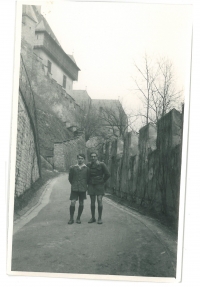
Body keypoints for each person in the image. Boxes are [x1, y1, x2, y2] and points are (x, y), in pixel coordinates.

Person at [87, 152, 110, 224]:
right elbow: (86, 174)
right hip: (91, 184)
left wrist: (103, 181)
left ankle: (99, 218)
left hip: (99, 184)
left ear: (97, 157)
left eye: (94, 156)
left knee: (99, 200)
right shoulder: (88, 165)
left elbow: (108, 174)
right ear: (90, 157)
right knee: (92, 201)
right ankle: (93, 217)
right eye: (92, 157)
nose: (93, 158)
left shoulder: (101, 164)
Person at [68, 153, 89, 224]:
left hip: (83, 188)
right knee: (72, 202)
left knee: (81, 203)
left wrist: (84, 185)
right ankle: (71, 218)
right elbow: (70, 178)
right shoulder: (73, 168)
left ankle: (78, 218)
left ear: (84, 159)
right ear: (77, 159)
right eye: (79, 158)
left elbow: (88, 179)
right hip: (74, 188)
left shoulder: (86, 168)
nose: (80, 160)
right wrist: (74, 184)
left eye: (82, 158)